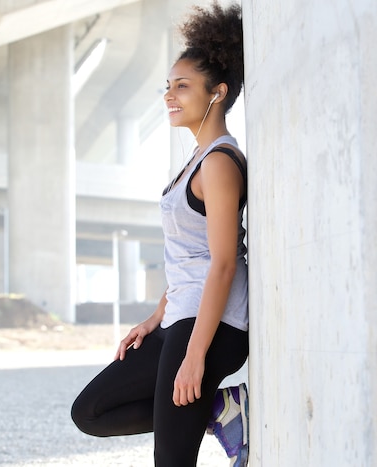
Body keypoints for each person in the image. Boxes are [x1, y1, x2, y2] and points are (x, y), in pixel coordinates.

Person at [71, 2, 249, 466]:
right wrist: (155, 317)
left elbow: (224, 262)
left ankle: (206, 401)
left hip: (213, 326)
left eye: (183, 86)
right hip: (180, 318)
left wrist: (196, 357)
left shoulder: (219, 163)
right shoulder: (195, 159)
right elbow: (187, 258)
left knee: (170, 460)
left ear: (218, 93)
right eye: (167, 86)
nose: (169, 95)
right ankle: (219, 407)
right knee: (90, 410)